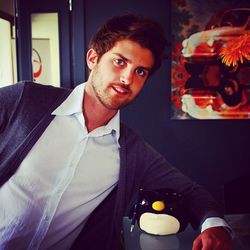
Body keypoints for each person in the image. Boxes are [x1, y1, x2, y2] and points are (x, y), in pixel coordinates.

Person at [0, 14, 232, 250]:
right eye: (120, 61)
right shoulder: (24, 99)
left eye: (140, 72)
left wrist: (214, 225)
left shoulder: (132, 152)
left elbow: (190, 192)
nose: (127, 79)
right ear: (93, 58)